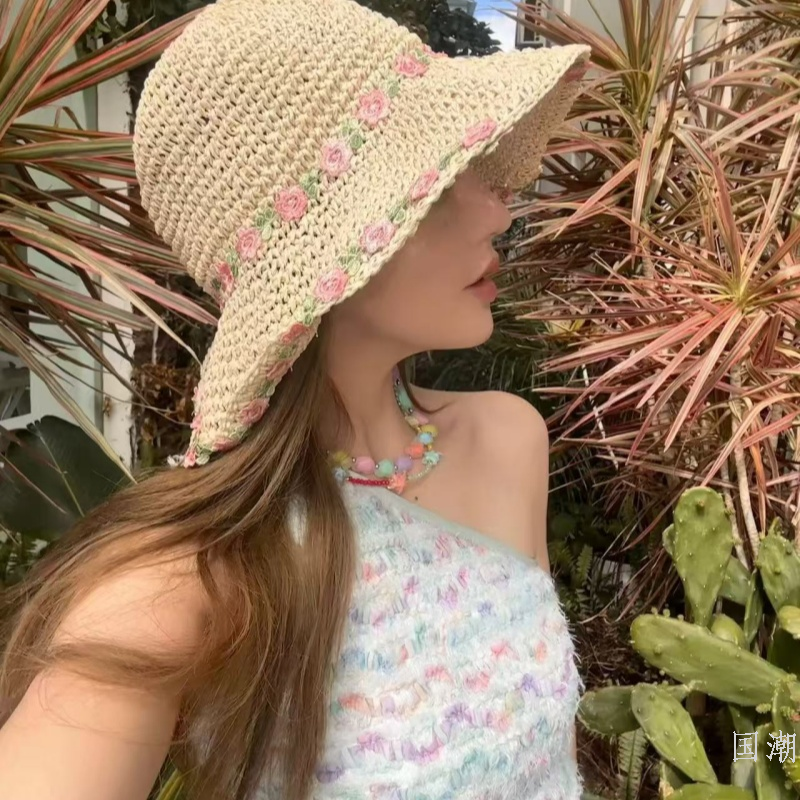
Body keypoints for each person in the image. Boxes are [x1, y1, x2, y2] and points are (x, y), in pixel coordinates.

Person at [0, 0, 591, 798]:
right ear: (329, 254)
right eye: (441, 178)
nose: (499, 209)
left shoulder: (507, 440)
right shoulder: (196, 575)